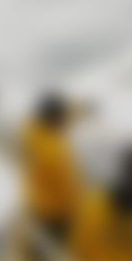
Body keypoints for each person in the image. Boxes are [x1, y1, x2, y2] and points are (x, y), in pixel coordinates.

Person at [20, 92, 82, 243]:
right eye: (60, 116)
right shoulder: (42, 143)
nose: (64, 120)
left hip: (55, 210)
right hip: (49, 213)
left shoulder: (41, 131)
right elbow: (59, 175)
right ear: (52, 117)